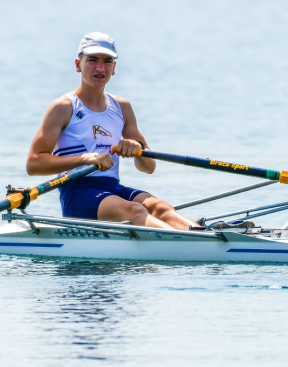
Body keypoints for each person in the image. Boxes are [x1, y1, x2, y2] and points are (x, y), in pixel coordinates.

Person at [25, 32, 196, 230]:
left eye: (107, 61)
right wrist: (85, 158)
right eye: (92, 60)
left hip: (112, 189)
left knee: (160, 207)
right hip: (78, 194)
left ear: (114, 68)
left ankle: (205, 236)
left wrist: (137, 149)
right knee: (136, 211)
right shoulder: (63, 107)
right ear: (77, 64)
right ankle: (191, 245)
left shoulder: (122, 107)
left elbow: (148, 167)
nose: (100, 68)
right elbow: (34, 163)